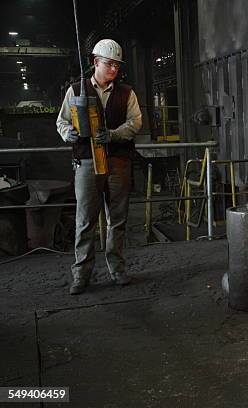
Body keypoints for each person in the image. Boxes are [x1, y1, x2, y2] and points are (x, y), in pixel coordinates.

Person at [56, 39, 142, 295]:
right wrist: (68, 133)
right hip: (86, 162)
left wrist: (114, 135)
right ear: (96, 62)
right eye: (109, 64)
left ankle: (117, 270)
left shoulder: (127, 93)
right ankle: (81, 274)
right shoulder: (76, 90)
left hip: (118, 162)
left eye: (117, 65)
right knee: (85, 221)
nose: (113, 69)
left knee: (118, 219)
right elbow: (61, 121)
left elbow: (136, 122)